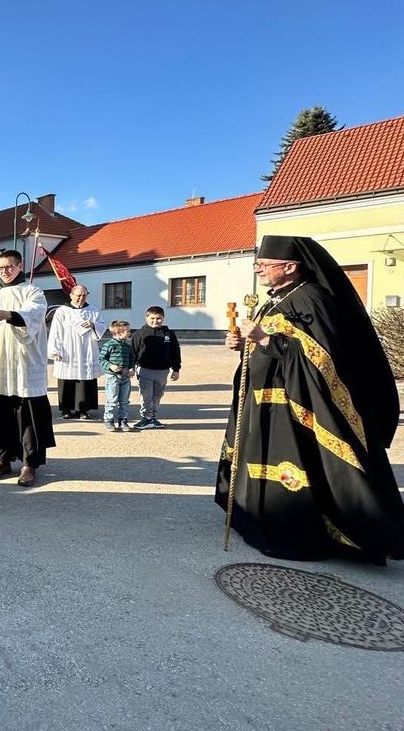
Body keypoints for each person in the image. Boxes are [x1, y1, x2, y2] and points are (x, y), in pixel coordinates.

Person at [217, 235, 404, 563]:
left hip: (297, 407)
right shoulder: (274, 299)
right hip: (263, 403)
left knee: (300, 468)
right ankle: (260, 519)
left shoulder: (312, 299)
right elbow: (270, 346)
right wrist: (244, 344)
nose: (258, 270)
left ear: (289, 267)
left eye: (264, 265)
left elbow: (322, 360)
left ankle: (306, 531)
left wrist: (262, 338)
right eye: (258, 264)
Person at [0, 250, 55, 487]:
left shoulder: (33, 292)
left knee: (27, 416)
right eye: (1, 268)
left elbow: (33, 315)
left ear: (20, 266)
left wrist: (8, 314)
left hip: (23, 364)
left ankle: (30, 463)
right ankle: (2, 459)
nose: (5, 271)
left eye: (10, 266)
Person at [46, 285, 105, 419]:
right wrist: (55, 350)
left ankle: (84, 409)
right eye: (78, 295)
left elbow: (102, 326)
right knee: (67, 380)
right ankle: (67, 409)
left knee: (85, 380)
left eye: (84, 295)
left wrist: (93, 325)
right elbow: (55, 331)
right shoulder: (62, 311)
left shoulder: (94, 311)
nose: (81, 298)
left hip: (86, 350)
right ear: (71, 295)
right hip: (67, 351)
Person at [130, 305, 181, 429]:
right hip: (145, 370)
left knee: (157, 395)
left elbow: (175, 352)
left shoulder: (169, 334)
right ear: (146, 318)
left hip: (163, 371)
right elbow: (133, 352)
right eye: (152, 318)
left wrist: (176, 369)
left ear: (163, 318)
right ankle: (146, 417)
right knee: (146, 395)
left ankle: (152, 417)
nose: (155, 321)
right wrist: (131, 367)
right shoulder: (140, 334)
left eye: (159, 318)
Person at [98, 320, 137, 432]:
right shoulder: (109, 345)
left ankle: (123, 420)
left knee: (124, 400)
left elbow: (131, 360)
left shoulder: (127, 347)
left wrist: (131, 369)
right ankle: (108, 419)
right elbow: (101, 359)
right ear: (119, 333)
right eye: (128, 331)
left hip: (125, 377)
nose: (130, 333)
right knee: (112, 399)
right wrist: (111, 366)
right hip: (113, 377)